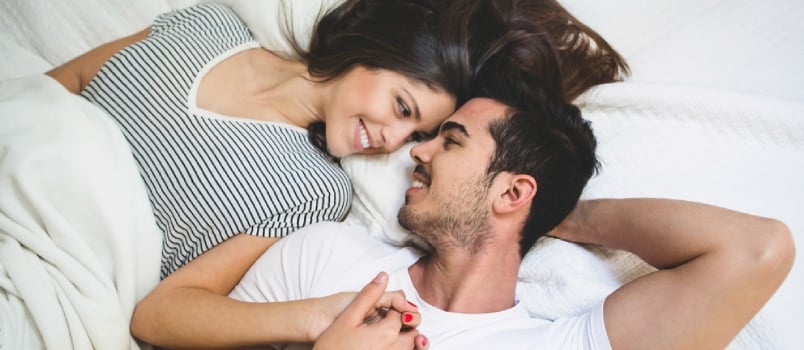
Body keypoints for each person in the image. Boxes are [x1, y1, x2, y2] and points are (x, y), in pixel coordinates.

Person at [230, 97, 795, 349]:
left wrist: (562, 216)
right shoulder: (330, 256)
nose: (417, 152)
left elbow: (758, 250)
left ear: (512, 192)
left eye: (451, 141)